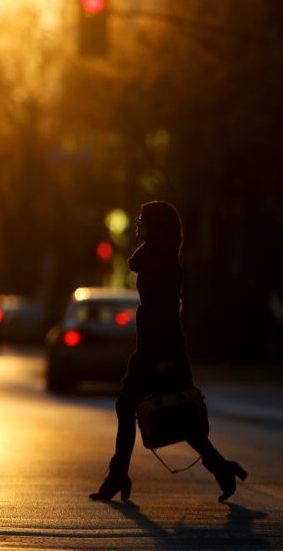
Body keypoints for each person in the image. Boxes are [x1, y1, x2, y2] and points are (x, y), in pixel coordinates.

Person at [90, 200, 247, 503]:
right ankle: (220, 468)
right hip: (155, 348)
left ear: (156, 226)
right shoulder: (155, 257)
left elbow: (164, 313)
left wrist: (163, 360)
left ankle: (119, 475)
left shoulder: (162, 261)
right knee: (175, 417)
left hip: (159, 350)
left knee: (163, 412)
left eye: (143, 219)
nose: (137, 223)